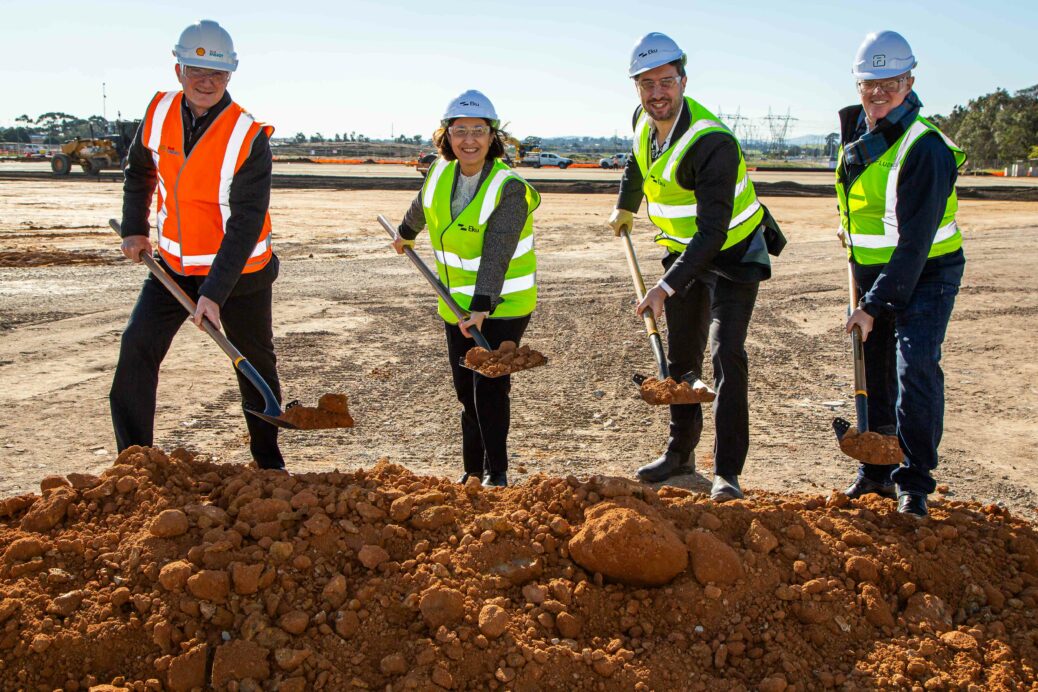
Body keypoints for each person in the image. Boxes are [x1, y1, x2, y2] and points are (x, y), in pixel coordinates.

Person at [608, 33, 783, 502]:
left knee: (726, 354)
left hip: (734, 255)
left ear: (683, 80)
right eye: (647, 84)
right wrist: (627, 204)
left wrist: (664, 287)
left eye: (666, 81)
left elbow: (713, 235)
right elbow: (635, 163)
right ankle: (680, 454)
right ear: (637, 88)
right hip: (684, 250)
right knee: (682, 361)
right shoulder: (643, 122)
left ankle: (727, 472)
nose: (657, 93)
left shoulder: (712, 143)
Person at [111, 19, 285, 469]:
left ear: (230, 76)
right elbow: (139, 171)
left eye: (218, 75)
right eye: (196, 71)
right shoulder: (158, 111)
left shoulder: (248, 135)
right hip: (171, 266)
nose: (207, 82)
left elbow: (245, 224)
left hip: (240, 273)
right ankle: (134, 462)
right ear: (178, 70)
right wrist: (135, 228)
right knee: (137, 348)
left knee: (252, 363)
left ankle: (269, 463)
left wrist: (212, 294)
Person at [837, 31, 966, 518]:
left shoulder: (925, 147)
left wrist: (873, 305)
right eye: (869, 82)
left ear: (909, 80)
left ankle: (913, 481)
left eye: (889, 81)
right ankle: (875, 472)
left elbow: (914, 244)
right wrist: (856, 264)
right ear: (857, 84)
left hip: (928, 272)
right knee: (874, 369)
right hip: (872, 271)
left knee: (915, 368)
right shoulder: (856, 133)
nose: (878, 92)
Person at [391, 90, 540, 488]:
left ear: (493, 137)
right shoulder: (441, 171)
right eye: (460, 131)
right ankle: (472, 470)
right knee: (464, 391)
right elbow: (423, 204)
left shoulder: (508, 188)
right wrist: (406, 234)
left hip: (502, 304)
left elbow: (497, 253)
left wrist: (482, 306)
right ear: (447, 135)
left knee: (488, 386)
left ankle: (497, 473)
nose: (469, 140)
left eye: (478, 130)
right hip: (454, 302)